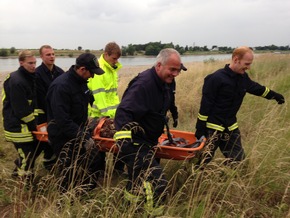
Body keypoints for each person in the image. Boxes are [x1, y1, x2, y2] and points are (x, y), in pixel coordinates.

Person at [114, 48, 184, 215]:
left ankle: (128, 208)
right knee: (156, 182)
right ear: (159, 65)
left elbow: (169, 98)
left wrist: (173, 112)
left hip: (150, 140)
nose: (175, 74)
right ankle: (154, 213)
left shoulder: (167, 81)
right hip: (135, 142)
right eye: (172, 69)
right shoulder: (143, 84)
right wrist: (127, 144)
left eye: (178, 70)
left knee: (137, 179)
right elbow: (123, 112)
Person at [195, 46, 285, 167]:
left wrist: (274, 95)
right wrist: (200, 128)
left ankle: (230, 182)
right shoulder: (215, 78)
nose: (248, 67)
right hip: (212, 128)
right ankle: (194, 181)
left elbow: (256, 88)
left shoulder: (243, 78)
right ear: (236, 60)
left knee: (238, 162)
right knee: (202, 162)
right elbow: (205, 105)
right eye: (247, 64)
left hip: (231, 127)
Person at [46, 53, 105, 193]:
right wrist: (84, 138)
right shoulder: (61, 87)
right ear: (82, 69)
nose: (93, 76)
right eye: (92, 72)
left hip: (78, 131)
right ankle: (64, 201)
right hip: (63, 136)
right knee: (68, 170)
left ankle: (83, 193)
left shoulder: (81, 83)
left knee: (93, 161)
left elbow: (88, 100)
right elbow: (62, 120)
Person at [2, 50, 41, 181]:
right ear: (21, 62)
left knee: (29, 153)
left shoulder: (28, 77)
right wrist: (33, 125)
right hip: (17, 127)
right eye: (30, 63)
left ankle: (17, 173)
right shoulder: (17, 81)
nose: (33, 66)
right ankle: (24, 185)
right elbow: (21, 110)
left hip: (23, 126)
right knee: (27, 156)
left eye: (35, 63)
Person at [87, 42, 123, 174]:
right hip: (98, 115)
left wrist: (117, 112)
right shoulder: (100, 69)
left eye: (117, 59)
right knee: (99, 145)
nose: (116, 61)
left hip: (112, 113)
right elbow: (99, 96)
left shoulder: (112, 69)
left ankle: (117, 170)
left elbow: (113, 95)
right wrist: (107, 116)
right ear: (106, 54)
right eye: (114, 58)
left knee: (120, 140)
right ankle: (100, 172)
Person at [35, 45, 65, 170]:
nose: (52, 57)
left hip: (58, 113)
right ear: (41, 57)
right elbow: (41, 98)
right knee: (45, 142)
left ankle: (56, 164)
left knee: (58, 140)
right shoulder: (37, 74)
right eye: (48, 55)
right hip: (44, 114)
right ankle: (48, 165)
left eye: (53, 54)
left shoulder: (59, 72)